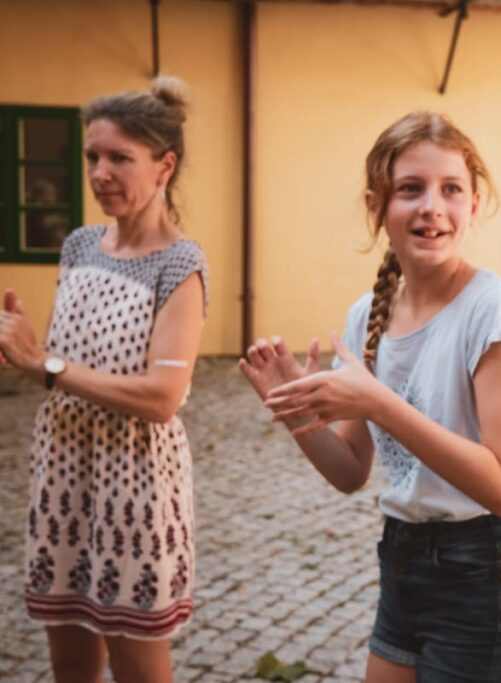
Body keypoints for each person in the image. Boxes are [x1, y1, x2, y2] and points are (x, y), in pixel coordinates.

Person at [238, 111, 501, 683]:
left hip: (481, 571)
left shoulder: (492, 309)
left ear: (474, 205)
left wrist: (377, 403)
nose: (432, 205)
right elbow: (351, 471)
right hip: (401, 561)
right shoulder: (365, 316)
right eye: (410, 189)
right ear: (377, 207)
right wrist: (298, 415)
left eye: (451, 189)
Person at [0, 76, 207, 683]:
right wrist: (20, 348)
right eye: (93, 156)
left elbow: (162, 398)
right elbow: (67, 365)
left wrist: (47, 365)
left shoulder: (181, 265)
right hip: (63, 471)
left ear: (164, 165)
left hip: (136, 482)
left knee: (138, 663)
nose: (100, 172)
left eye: (120, 157)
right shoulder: (78, 246)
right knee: (68, 661)